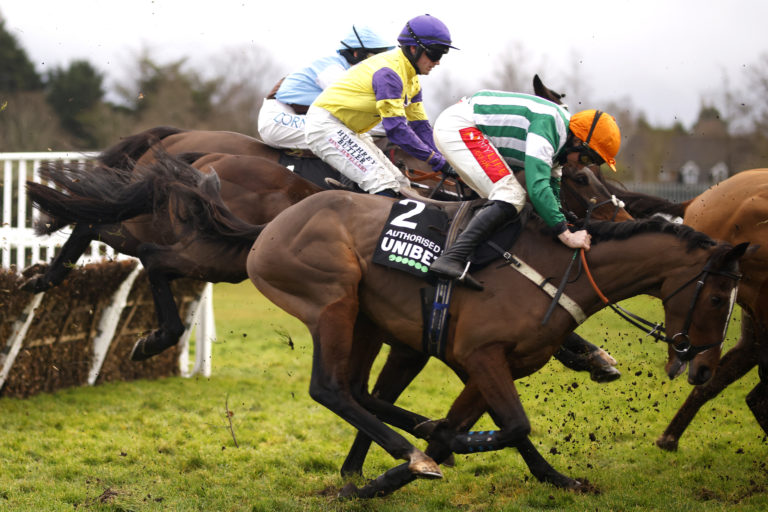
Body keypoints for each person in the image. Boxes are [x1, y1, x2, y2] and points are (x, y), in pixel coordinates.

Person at [429, 91, 621, 288]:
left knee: (505, 202)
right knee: (510, 196)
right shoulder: (549, 125)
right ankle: (451, 258)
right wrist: (567, 235)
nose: (582, 167)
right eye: (587, 159)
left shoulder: (562, 141)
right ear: (578, 141)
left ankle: (469, 258)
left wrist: (565, 220)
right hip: (460, 127)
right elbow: (537, 187)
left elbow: (551, 188)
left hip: (467, 127)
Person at [305, 14, 457, 196]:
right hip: (326, 126)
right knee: (384, 185)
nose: (438, 61)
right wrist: (435, 160)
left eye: (442, 55)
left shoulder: (412, 81)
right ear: (413, 48)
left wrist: (447, 159)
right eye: (435, 54)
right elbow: (396, 130)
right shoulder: (390, 74)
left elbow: (420, 126)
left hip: (349, 129)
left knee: (402, 185)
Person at [257, 26, 393, 151]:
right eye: (375, 56)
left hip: (295, 116)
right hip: (279, 120)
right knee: (349, 136)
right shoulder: (332, 69)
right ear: (357, 53)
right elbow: (363, 107)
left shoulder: (347, 69)